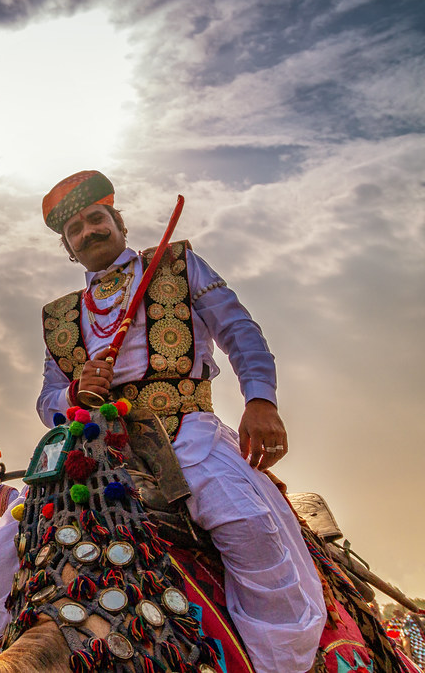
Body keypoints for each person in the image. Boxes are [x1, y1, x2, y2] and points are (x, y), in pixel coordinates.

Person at [34, 171, 326, 673]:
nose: (88, 231)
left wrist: (261, 400)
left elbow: (239, 331)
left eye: (95, 219)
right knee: (3, 554)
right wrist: (74, 392)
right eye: (75, 230)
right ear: (68, 248)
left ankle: (281, 663)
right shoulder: (59, 316)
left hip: (187, 435)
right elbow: (46, 401)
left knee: (254, 535)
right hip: (98, 454)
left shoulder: (176, 263)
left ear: (118, 223)